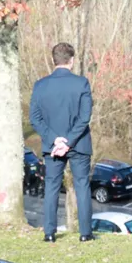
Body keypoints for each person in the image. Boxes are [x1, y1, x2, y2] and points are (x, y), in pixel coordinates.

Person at [29, 42, 95, 242]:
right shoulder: (81, 83)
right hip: (79, 143)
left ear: (53, 60)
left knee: (51, 187)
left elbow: (35, 118)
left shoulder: (40, 86)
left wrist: (54, 139)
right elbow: (85, 117)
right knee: (82, 185)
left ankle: (49, 233)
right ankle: (85, 234)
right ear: (71, 61)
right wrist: (69, 141)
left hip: (53, 145)